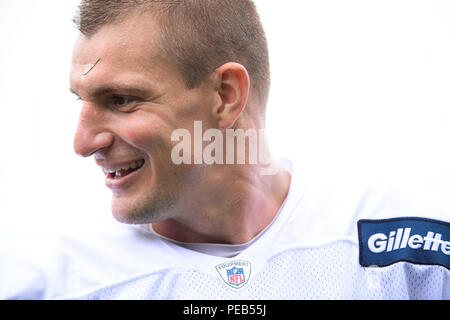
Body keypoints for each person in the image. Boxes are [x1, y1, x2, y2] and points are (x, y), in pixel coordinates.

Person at [1, 0, 448, 300]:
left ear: (225, 95)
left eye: (120, 100)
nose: (83, 143)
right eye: (83, 100)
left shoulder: (404, 246)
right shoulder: (47, 280)